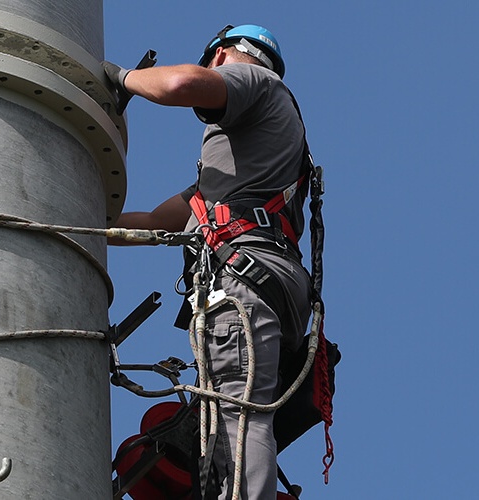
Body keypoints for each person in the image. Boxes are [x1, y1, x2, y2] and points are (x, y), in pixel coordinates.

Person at [107, 24, 312, 500]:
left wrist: (121, 78)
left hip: (248, 277)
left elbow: (180, 84)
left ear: (221, 55)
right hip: (261, 277)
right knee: (228, 414)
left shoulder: (259, 82)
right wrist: (67, 215)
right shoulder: (240, 172)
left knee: (239, 411)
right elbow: (157, 223)